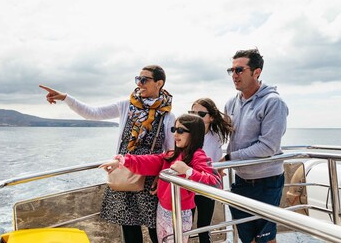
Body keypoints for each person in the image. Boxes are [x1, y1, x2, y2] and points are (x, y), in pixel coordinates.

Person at [39, 65, 175, 243]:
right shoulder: (127, 105)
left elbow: (170, 151)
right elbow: (93, 113)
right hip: (124, 171)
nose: (139, 83)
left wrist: (162, 175)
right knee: (129, 228)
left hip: (150, 179)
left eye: (144, 80)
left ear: (159, 83)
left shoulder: (167, 116)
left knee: (156, 230)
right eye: (138, 79)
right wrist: (66, 97)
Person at [100, 114, 222, 243]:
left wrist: (188, 171)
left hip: (180, 213)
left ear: (194, 134)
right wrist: (122, 161)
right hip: (162, 210)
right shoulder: (171, 154)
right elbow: (148, 161)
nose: (175, 134)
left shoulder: (197, 156)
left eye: (180, 130)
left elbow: (215, 182)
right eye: (174, 129)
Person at [220, 48, 289, 243]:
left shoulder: (273, 103)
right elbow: (223, 136)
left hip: (267, 181)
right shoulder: (231, 103)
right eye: (231, 70)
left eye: (239, 70)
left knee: (265, 239)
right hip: (242, 180)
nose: (234, 75)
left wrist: (230, 158)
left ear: (256, 72)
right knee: (247, 237)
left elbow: (268, 147)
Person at [189, 98, 232, 243]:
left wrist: (220, 169)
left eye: (200, 114)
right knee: (185, 228)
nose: (195, 117)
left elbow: (217, 160)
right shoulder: (186, 135)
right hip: (188, 188)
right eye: (192, 113)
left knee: (204, 228)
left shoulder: (216, 137)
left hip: (207, 189)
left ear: (211, 117)